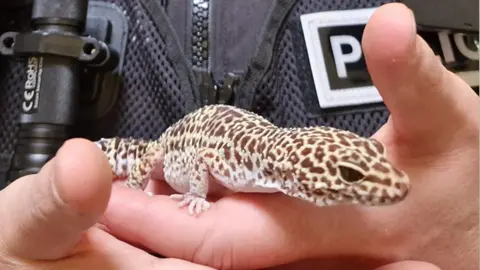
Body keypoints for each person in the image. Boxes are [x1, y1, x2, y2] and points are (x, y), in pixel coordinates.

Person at [0, 3, 477, 269]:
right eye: (352, 176)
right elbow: (191, 157)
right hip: (166, 149)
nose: (382, 185)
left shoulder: (278, 167)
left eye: (360, 164)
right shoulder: (249, 165)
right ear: (298, 174)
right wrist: (192, 194)